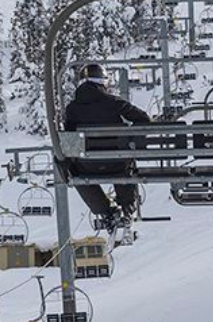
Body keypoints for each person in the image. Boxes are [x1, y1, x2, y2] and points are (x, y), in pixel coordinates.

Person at [63, 62, 151, 232]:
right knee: (125, 166)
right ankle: (127, 209)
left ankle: (105, 211)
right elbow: (144, 119)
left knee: (75, 174)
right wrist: (129, 138)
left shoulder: (72, 108)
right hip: (117, 163)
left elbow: (69, 138)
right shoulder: (113, 102)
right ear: (102, 82)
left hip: (86, 165)